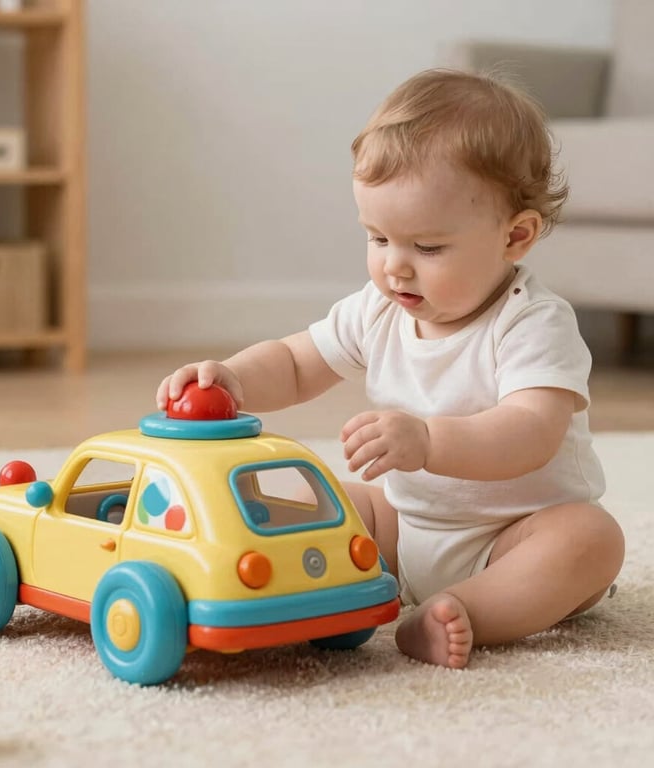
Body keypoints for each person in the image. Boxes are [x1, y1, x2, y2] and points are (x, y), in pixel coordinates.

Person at [156, 69, 625, 669]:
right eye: (378, 238)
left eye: (427, 248)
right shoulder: (378, 309)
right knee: (319, 500)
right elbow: (300, 362)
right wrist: (235, 377)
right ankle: (264, 586)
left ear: (517, 236)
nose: (395, 268)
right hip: (403, 527)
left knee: (590, 538)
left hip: (514, 537)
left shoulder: (532, 324)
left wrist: (428, 440)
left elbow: (531, 432)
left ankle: (463, 612)